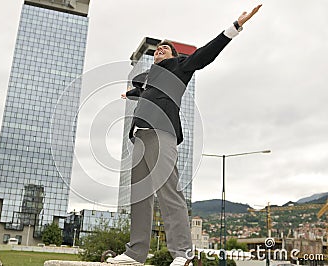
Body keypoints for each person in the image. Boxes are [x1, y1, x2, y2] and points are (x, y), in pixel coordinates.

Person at [109, 5, 262, 266]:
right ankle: (135, 253)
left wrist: (233, 28)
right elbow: (144, 90)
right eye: (157, 49)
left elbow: (204, 55)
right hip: (140, 137)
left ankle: (183, 254)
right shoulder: (148, 78)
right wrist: (131, 93)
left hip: (162, 133)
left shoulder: (180, 66)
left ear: (174, 55)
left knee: (168, 192)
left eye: (165, 48)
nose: (159, 50)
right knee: (139, 196)